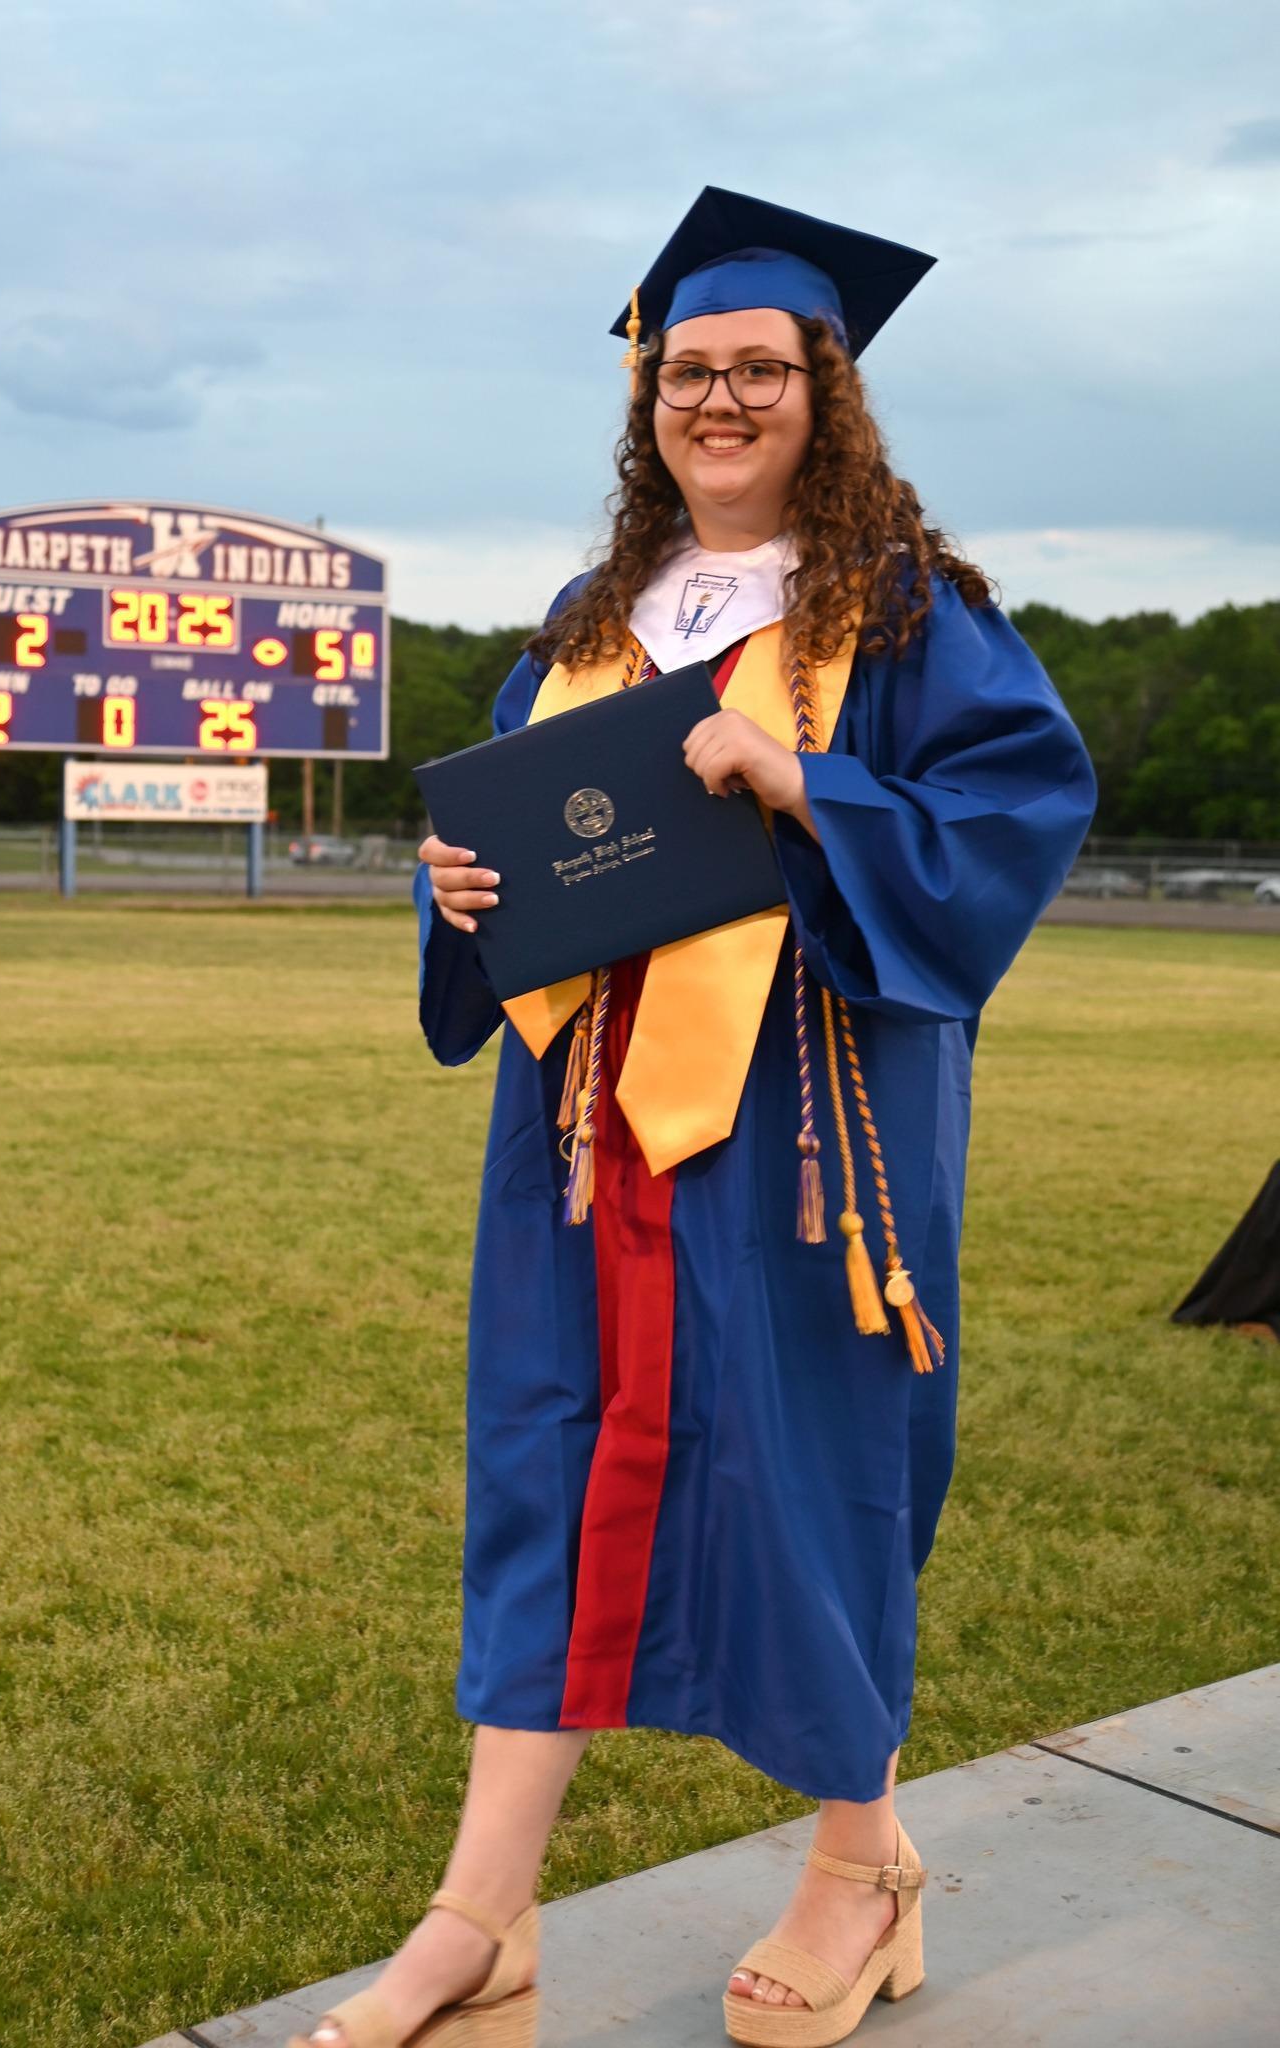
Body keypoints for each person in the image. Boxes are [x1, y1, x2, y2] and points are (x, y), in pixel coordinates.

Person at [291, 187, 1097, 2048]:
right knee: (554, 1472)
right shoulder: (591, 622)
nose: (717, 400)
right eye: (687, 371)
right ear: (648, 399)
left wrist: (806, 781)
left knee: (819, 1467)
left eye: (759, 370)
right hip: (580, 1134)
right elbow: (512, 835)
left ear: (828, 392)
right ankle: (483, 1920)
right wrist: (458, 894)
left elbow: (1012, 813)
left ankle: (859, 1870)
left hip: (811, 1127)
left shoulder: (910, 616)